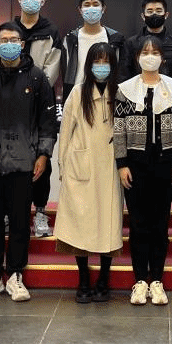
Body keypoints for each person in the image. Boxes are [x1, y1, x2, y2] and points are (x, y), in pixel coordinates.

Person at [0, 22, 57, 303]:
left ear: (22, 44)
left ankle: (16, 275)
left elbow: (47, 123)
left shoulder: (37, 79)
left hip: (23, 162)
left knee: (19, 221)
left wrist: (43, 154)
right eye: (3, 40)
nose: (8, 44)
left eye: (14, 40)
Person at [113, 35, 172, 306]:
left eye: (154, 52)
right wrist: (122, 164)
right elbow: (118, 129)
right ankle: (139, 281)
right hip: (135, 166)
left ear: (162, 59)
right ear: (137, 58)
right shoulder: (125, 90)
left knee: (160, 223)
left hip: (165, 165)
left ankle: (156, 280)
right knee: (138, 224)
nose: (150, 57)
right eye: (145, 53)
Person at [0, 0, 61, 238]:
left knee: (41, 159)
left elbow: (52, 69)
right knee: (8, 159)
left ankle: (40, 212)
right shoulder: (6, 30)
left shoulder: (51, 31)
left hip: (39, 104)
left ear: (43, 0)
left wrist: (33, 90)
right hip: (7, 106)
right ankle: (9, 213)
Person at [53, 42, 122, 303]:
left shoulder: (121, 93)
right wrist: (63, 166)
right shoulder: (77, 92)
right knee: (79, 222)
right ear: (89, 64)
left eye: (106, 61)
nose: (101, 66)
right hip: (80, 166)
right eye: (96, 61)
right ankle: (83, 278)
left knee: (108, 223)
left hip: (111, 168)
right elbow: (65, 131)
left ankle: (104, 278)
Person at [62, 0, 125, 102]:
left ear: (103, 9)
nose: (91, 8)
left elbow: (120, 71)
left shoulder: (115, 38)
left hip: (107, 97)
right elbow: (65, 70)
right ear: (80, 10)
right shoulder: (70, 39)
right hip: (77, 96)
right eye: (86, 5)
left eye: (95, 5)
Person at [120, 0, 172, 83]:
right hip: (138, 90)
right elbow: (124, 75)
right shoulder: (131, 43)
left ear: (166, 15)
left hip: (169, 90)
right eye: (150, 11)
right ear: (143, 16)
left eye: (158, 11)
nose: (154, 14)